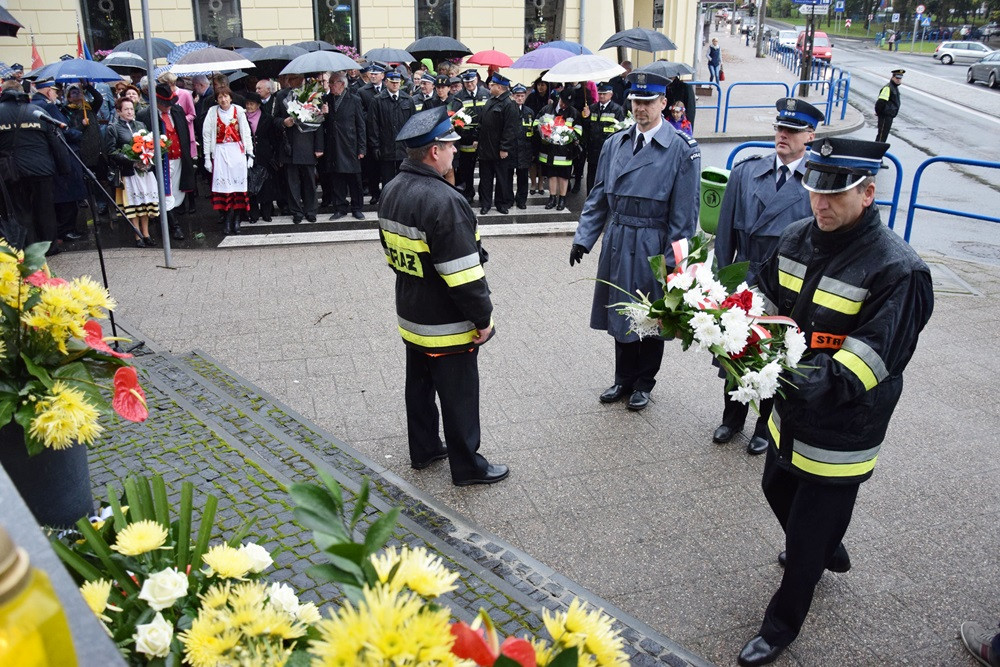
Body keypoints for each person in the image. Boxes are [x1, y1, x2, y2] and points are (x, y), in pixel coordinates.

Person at [736, 137, 933, 667]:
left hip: (844, 424)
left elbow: (869, 361)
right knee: (775, 486)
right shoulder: (797, 236)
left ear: (868, 193)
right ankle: (827, 546)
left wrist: (793, 376)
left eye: (834, 194)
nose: (820, 203)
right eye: (814, 190)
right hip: (791, 410)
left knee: (804, 538)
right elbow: (763, 294)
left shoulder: (898, 269)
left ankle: (780, 627)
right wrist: (738, 329)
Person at [378, 106, 508, 487]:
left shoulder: (391, 189)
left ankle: (424, 450)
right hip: (447, 323)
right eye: (450, 145)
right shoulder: (444, 201)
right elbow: (465, 276)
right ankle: (468, 467)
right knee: (459, 395)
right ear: (434, 151)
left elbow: (392, 254)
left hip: (411, 314)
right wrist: (484, 319)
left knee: (419, 387)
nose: (455, 150)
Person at [568, 70, 700, 412]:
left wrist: (674, 264)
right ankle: (623, 378)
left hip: (653, 243)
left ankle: (644, 382)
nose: (640, 108)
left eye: (647, 102)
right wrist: (583, 238)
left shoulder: (681, 149)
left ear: (663, 103)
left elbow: (684, 215)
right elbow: (599, 196)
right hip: (618, 236)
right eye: (636, 101)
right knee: (620, 311)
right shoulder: (615, 143)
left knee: (651, 316)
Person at [712, 97, 824, 456]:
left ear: (810, 136)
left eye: (792, 130)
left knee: (774, 355)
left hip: (786, 284)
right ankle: (732, 418)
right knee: (736, 348)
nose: (783, 135)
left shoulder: (817, 180)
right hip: (745, 276)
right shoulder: (746, 172)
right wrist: (721, 283)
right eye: (779, 128)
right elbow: (725, 234)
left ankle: (765, 425)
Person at [0, 79, 67, 250]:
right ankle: (50, 247)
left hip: (11, 171)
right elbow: (57, 142)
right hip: (41, 170)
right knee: (45, 209)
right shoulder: (38, 112)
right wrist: (64, 169)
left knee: (20, 210)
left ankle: (28, 248)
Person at [140, 83, 193, 241]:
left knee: (177, 192)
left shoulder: (177, 110)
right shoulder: (146, 115)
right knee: (165, 193)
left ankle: (167, 220)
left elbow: (184, 133)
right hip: (162, 161)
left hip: (179, 159)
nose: (168, 107)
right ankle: (174, 226)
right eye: (165, 104)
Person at [105, 97, 159, 247]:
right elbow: (111, 152)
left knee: (145, 203)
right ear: (118, 111)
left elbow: (149, 143)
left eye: (131, 108)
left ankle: (146, 234)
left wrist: (147, 159)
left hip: (144, 170)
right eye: (126, 109)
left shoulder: (140, 125)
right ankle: (137, 235)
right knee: (134, 204)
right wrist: (132, 161)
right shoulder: (113, 128)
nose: (130, 111)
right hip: (128, 171)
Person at [203, 86, 254, 235]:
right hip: (220, 152)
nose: (223, 100)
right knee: (224, 188)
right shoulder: (212, 113)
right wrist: (207, 157)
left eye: (226, 96)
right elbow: (207, 135)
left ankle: (237, 220)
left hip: (236, 152)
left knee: (238, 188)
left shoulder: (239, 111)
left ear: (231, 98)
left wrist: (250, 154)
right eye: (220, 97)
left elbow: (246, 133)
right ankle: (227, 220)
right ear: (216, 100)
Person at [322, 72, 366, 220]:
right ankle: (340, 208)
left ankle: (357, 207)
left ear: (341, 84)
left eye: (332, 82)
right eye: (329, 82)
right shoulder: (326, 100)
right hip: (334, 145)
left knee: (354, 179)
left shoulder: (354, 100)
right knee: (336, 178)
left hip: (350, 145)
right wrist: (324, 114)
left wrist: (362, 148)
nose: (330, 85)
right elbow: (322, 124)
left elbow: (361, 125)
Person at [476, 73, 519, 215]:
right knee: (485, 178)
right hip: (486, 148)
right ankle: (485, 203)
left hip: (499, 149)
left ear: (500, 87)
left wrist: (504, 147)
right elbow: (482, 122)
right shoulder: (491, 101)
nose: (490, 86)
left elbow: (510, 128)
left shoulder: (509, 104)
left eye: (493, 85)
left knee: (502, 178)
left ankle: (501, 204)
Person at [536, 88, 582, 211]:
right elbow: (537, 123)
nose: (564, 105)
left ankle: (562, 199)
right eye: (563, 102)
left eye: (567, 103)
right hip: (549, 149)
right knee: (552, 175)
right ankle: (552, 198)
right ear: (559, 98)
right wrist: (543, 132)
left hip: (566, 151)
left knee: (564, 176)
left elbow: (579, 130)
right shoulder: (547, 109)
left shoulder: (574, 113)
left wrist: (569, 136)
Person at [371, 70, 416, 193]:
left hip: (404, 147)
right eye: (392, 82)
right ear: (386, 82)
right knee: (388, 180)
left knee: (405, 179)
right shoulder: (377, 100)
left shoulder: (408, 99)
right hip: (386, 146)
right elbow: (373, 125)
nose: (395, 84)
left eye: (397, 82)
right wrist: (375, 146)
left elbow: (413, 124)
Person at [242, 91, 280, 224]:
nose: (249, 106)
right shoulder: (241, 118)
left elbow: (274, 138)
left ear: (258, 105)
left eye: (252, 104)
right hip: (248, 155)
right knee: (251, 184)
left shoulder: (267, 118)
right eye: (247, 104)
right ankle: (253, 213)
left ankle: (266, 212)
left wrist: (274, 155)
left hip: (265, 155)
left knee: (266, 184)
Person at [581, 82, 625, 194]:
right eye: (600, 93)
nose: (601, 96)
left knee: (606, 176)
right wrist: (586, 117)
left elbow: (620, 130)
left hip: (608, 149)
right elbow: (586, 128)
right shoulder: (592, 108)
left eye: (604, 94)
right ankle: (590, 197)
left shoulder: (617, 109)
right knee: (591, 176)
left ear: (611, 95)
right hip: (593, 148)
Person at [454, 69, 489, 204]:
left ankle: (483, 196)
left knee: (485, 172)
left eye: (472, 81)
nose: (469, 84)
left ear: (477, 80)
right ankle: (468, 194)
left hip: (483, 139)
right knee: (466, 170)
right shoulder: (458, 97)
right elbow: (454, 117)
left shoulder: (486, 94)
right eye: (466, 82)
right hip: (466, 139)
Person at [357, 64, 385, 205]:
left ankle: (386, 193)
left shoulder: (387, 89)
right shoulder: (362, 91)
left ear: (382, 76)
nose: (373, 76)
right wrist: (373, 116)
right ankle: (375, 193)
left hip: (386, 133)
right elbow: (360, 112)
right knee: (372, 166)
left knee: (386, 167)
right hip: (370, 133)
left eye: (376, 74)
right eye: (371, 74)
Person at [509, 83, 535, 210]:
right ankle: (508, 199)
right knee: (508, 177)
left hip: (525, 150)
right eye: (517, 96)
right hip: (511, 149)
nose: (520, 98)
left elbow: (533, 132)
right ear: (513, 96)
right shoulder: (508, 111)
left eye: (522, 96)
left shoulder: (529, 112)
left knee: (523, 177)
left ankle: (521, 200)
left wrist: (533, 151)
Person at [875, 68, 903, 143]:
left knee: (884, 135)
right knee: (881, 136)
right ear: (892, 77)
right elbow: (880, 102)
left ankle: (878, 148)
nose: (898, 80)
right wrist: (879, 113)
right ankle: (877, 149)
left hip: (889, 115)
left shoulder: (894, 87)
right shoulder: (888, 88)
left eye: (900, 78)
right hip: (885, 115)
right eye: (897, 78)